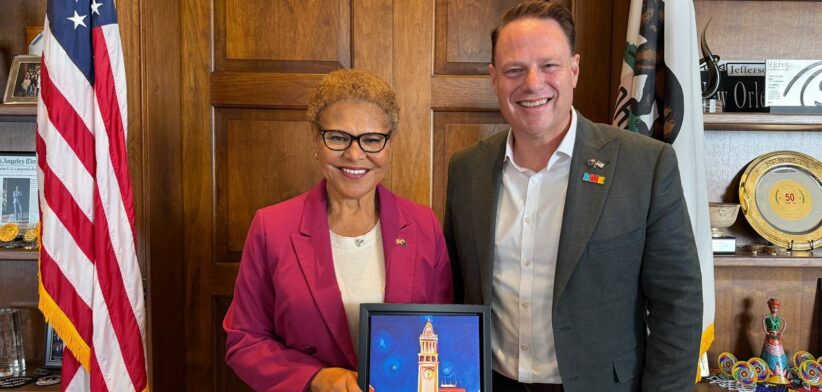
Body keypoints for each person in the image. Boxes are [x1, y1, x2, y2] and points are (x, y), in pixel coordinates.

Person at [443, 1, 703, 391]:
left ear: (574, 70)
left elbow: (678, 305)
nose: (532, 83)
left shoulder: (644, 166)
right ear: (493, 78)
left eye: (549, 65)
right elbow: (457, 293)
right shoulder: (467, 171)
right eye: (515, 69)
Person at [223, 68, 453, 392]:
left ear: (389, 146)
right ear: (316, 139)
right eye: (338, 137)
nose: (355, 154)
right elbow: (245, 342)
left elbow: (445, 332)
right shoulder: (271, 228)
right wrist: (316, 378)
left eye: (372, 139)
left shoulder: (424, 226)